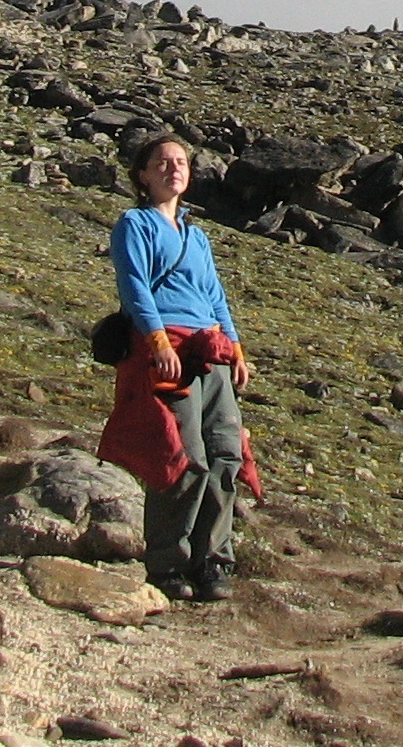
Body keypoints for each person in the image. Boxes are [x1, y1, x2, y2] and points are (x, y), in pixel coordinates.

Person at [96, 132, 259, 602]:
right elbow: (135, 286)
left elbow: (215, 296)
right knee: (182, 456)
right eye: (162, 163)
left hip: (211, 351)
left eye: (181, 162)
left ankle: (213, 561)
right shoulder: (135, 224)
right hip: (169, 351)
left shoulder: (196, 236)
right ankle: (168, 562)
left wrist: (235, 348)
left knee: (225, 453)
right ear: (143, 176)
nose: (174, 169)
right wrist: (157, 340)